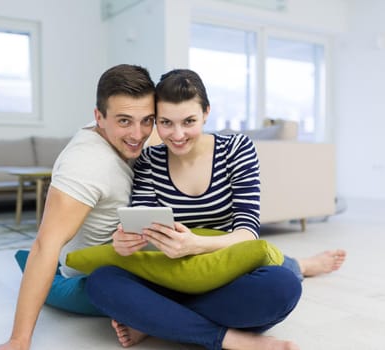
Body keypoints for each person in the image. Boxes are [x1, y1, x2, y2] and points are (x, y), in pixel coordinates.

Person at [85, 69, 346, 350]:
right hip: (168, 276)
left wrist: (194, 244)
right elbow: (142, 227)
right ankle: (230, 339)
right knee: (101, 281)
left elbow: (247, 234)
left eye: (189, 121)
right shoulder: (150, 160)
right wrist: (126, 243)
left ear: (206, 113)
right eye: (166, 123)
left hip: (225, 275)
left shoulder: (236, 149)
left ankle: (156, 320)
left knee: (283, 286)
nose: (178, 134)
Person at [0, 64, 157, 350]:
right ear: (99, 117)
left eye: (147, 120)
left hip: (125, 252)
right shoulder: (87, 164)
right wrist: (19, 340)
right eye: (125, 121)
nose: (138, 134)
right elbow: (45, 245)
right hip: (90, 280)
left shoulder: (129, 135)